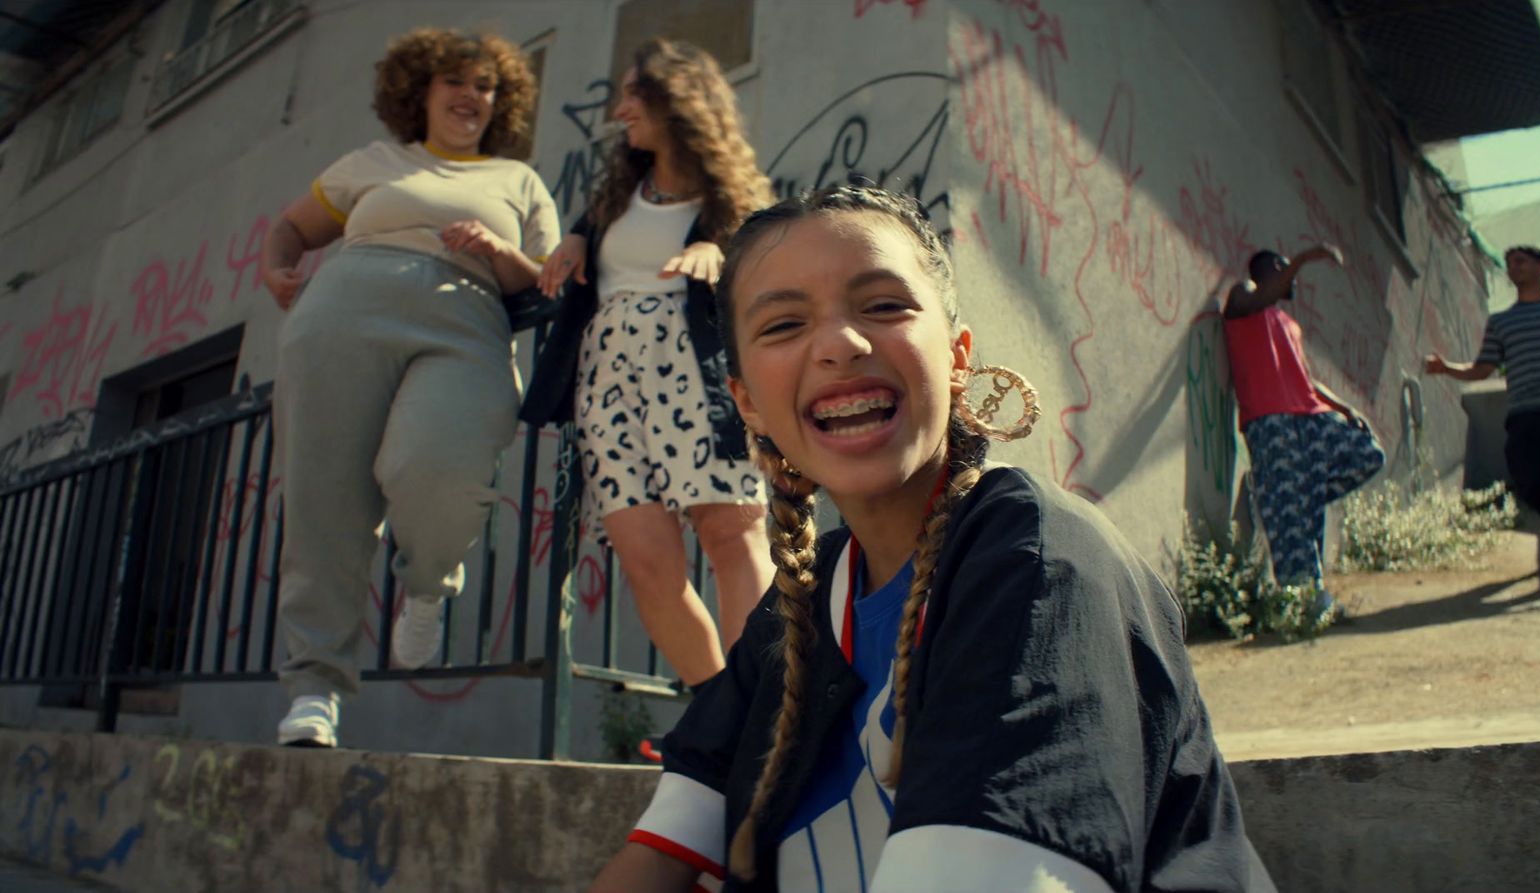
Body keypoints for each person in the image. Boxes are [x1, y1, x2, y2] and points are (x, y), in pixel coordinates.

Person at [589, 185, 1276, 892]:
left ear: (957, 356)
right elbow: (656, 864)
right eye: (784, 324)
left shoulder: (1039, 559)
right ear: (747, 403)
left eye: (884, 305)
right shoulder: (800, 603)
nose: (840, 344)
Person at [264, 28, 560, 747]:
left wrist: (499, 250)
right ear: (420, 91)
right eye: (455, 81)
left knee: (441, 469)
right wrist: (278, 270)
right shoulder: (372, 163)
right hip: (342, 312)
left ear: (502, 102)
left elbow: (549, 279)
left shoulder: (518, 181)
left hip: (467, 319)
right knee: (324, 499)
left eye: (486, 86)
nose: (471, 96)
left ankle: (428, 582)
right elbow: (291, 230)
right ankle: (315, 687)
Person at [525, 38, 774, 690]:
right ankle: (719, 711)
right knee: (645, 561)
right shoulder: (613, 197)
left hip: (695, 367)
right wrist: (577, 235)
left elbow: (770, 281)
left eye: (636, 93)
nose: (621, 107)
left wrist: (723, 260)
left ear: (679, 100)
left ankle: (767, 717)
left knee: (729, 534)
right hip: (606, 381)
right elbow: (591, 242)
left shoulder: (732, 203)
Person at [1223, 246, 1385, 613]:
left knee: (1367, 453)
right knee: (1292, 514)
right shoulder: (1243, 296)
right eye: (1286, 273)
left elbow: (1306, 379)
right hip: (1270, 421)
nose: (1293, 281)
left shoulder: (1287, 323)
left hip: (1309, 419)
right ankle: (1306, 599)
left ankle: (1281, 498)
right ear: (1272, 271)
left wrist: (1343, 408)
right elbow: (1255, 298)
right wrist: (1305, 257)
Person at [1426, 245, 1540, 580]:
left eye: (1520, 261)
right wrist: (1446, 367)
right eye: (1508, 264)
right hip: (1526, 410)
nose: (1513, 268)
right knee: (1528, 478)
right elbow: (1482, 369)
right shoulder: (1501, 322)